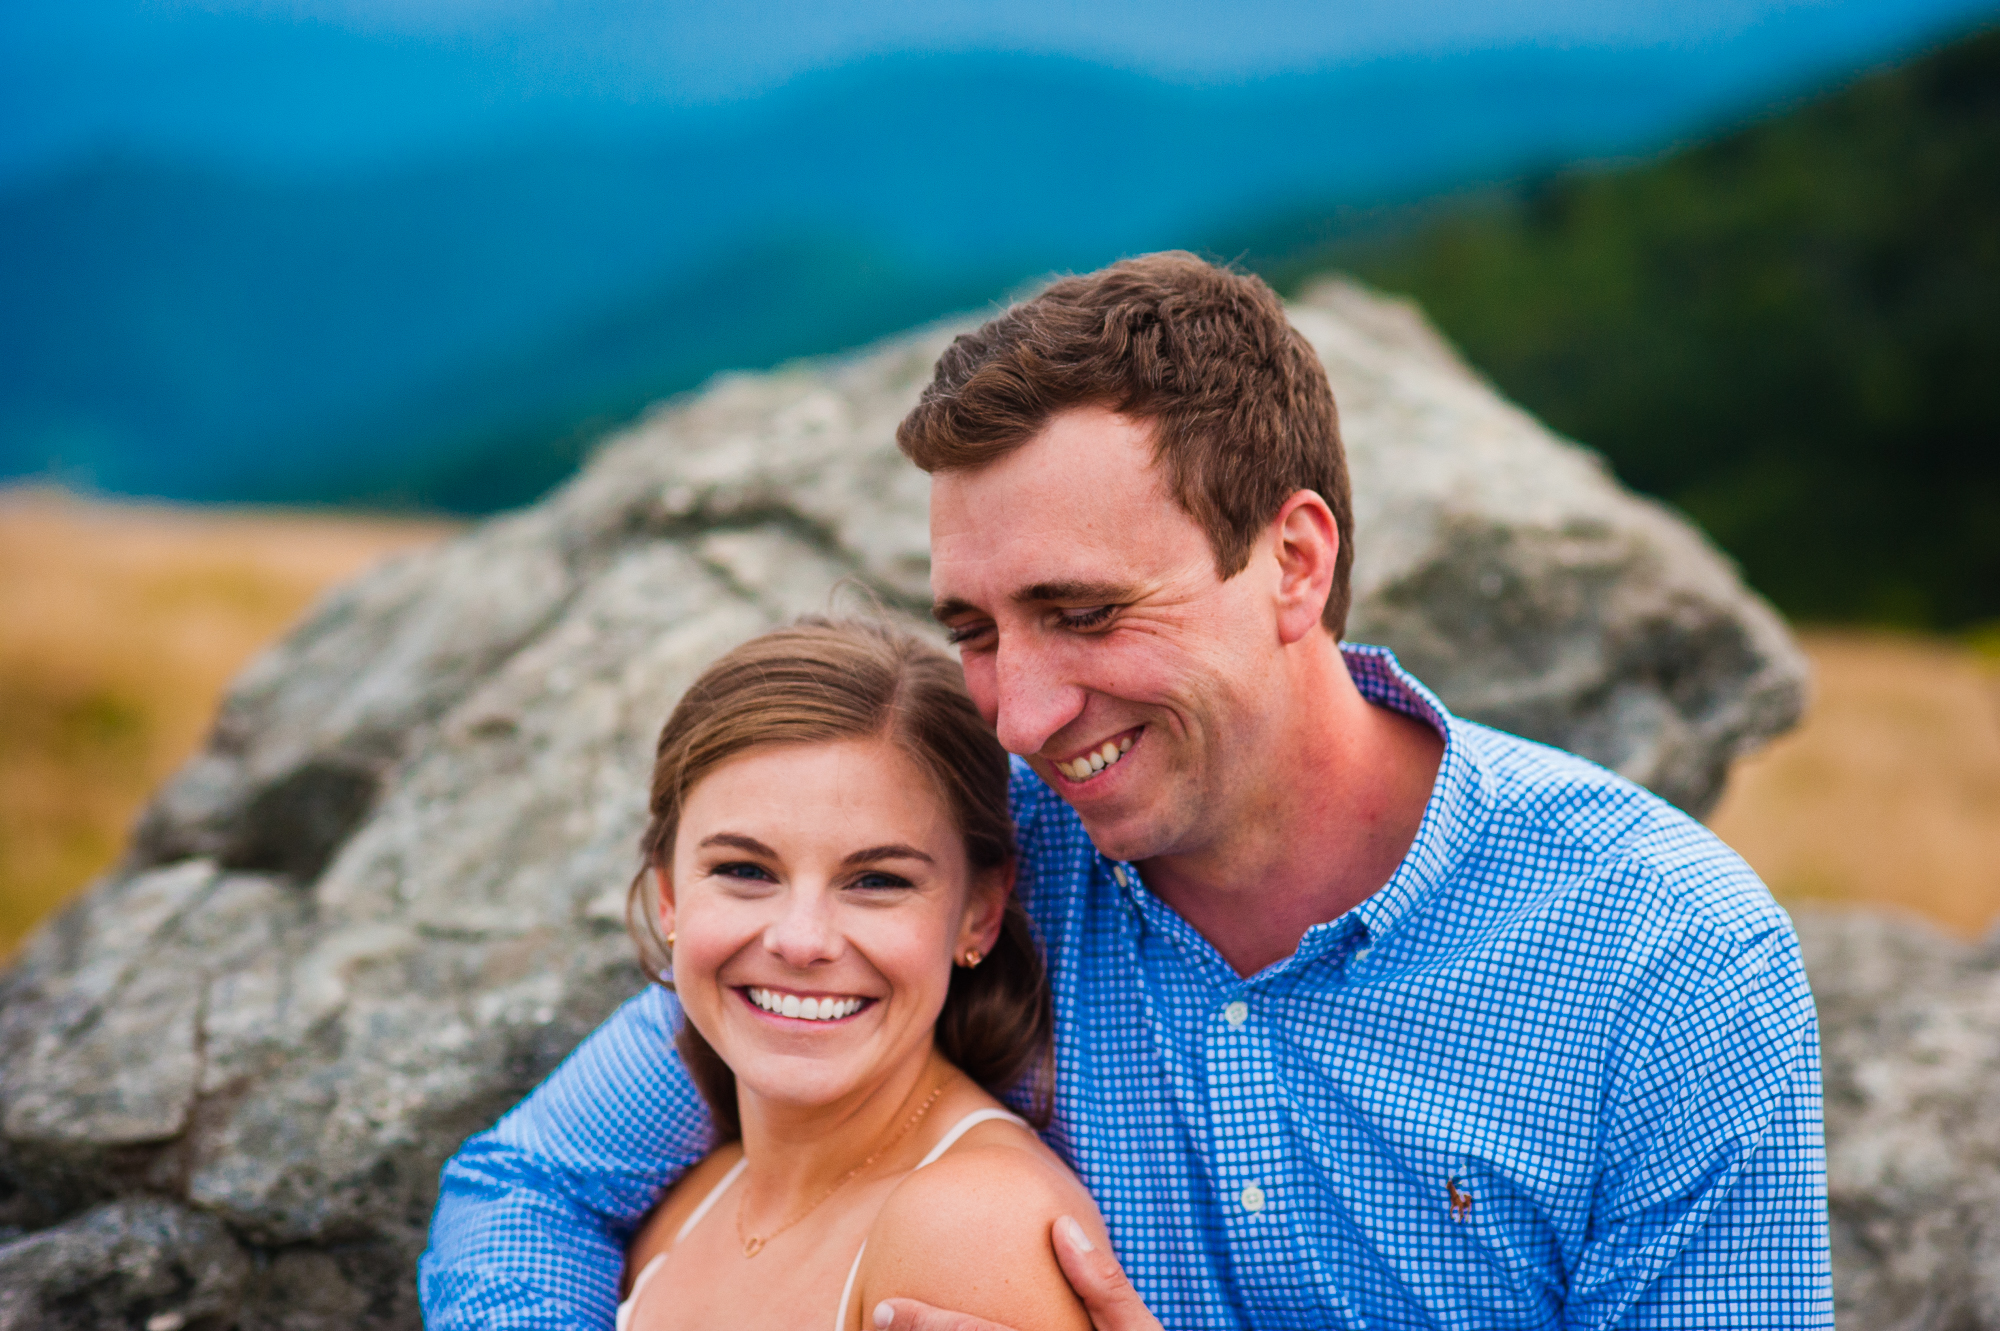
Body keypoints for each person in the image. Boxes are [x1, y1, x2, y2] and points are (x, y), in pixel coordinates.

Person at [421, 252, 1832, 1328]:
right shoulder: (962, 860)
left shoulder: (1664, 957)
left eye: (1084, 611)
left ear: (1295, 560)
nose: (1021, 713)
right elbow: (527, 1189)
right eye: (976, 628)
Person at [614, 620, 1105, 1330]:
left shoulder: (968, 1228)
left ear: (978, 913)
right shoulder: (690, 1200)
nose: (801, 939)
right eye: (744, 870)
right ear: (669, 897)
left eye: (876, 879)